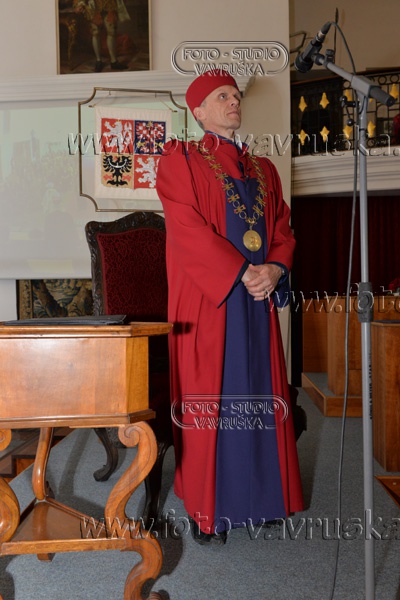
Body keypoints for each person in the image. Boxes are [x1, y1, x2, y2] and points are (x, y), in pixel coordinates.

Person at [156, 69, 303, 545]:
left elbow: (281, 231)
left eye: (236, 95)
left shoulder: (265, 170)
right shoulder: (180, 161)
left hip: (257, 297)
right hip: (209, 300)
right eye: (222, 96)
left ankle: (263, 500)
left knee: (260, 391)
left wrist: (274, 269)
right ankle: (210, 510)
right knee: (212, 400)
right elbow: (187, 230)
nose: (233, 101)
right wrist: (241, 272)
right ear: (198, 111)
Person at [74, 0, 129, 72]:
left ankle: (114, 61)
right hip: (94, 6)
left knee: (112, 31)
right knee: (95, 32)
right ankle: (98, 61)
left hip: (110, 5)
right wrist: (80, 3)